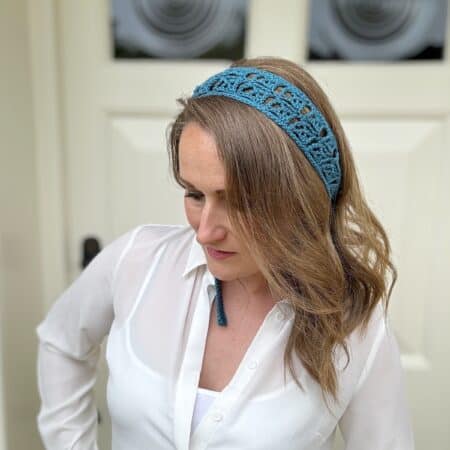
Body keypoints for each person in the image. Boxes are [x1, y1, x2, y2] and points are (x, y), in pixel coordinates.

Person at [36, 56, 415, 450]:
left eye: (239, 202)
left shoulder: (356, 325)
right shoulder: (137, 260)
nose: (204, 232)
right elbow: (61, 342)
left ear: (303, 200)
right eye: (194, 194)